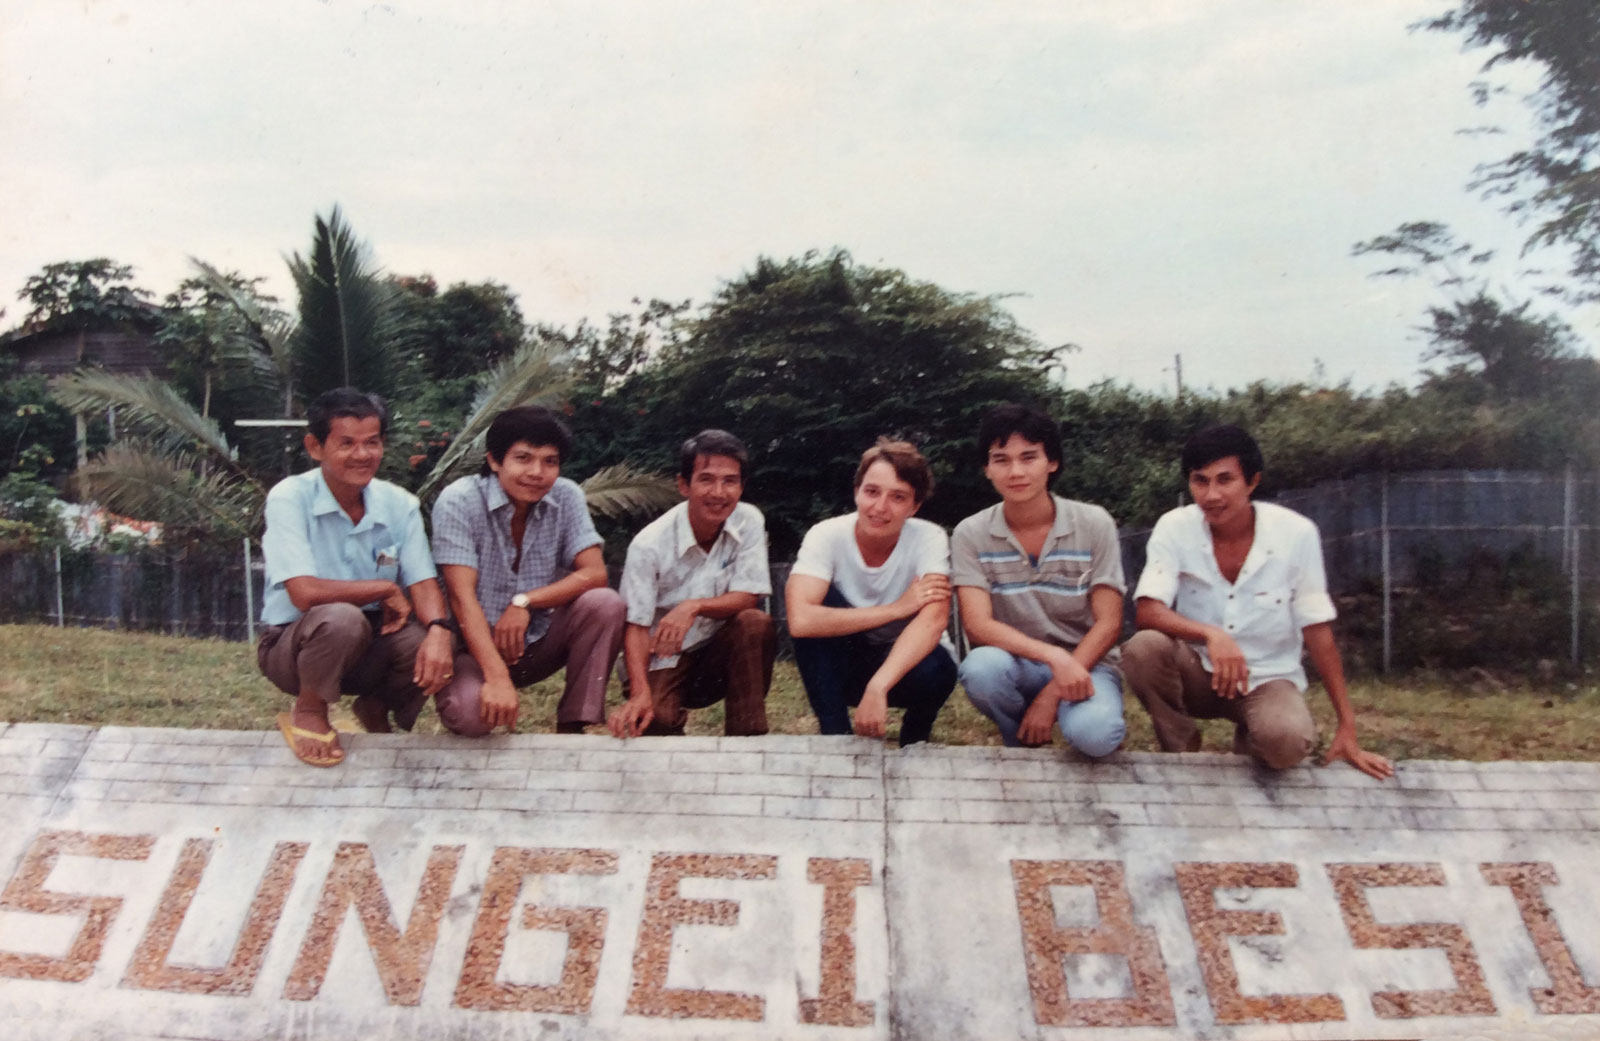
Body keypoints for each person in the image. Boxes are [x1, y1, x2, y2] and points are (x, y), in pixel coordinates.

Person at [1123, 424, 1394, 780]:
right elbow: (1148, 611)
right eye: (1199, 481)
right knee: (1143, 648)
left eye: (1225, 480)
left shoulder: (1296, 533)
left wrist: (1347, 726)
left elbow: (1317, 628)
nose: (1211, 494)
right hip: (1199, 671)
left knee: (1284, 743)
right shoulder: (1175, 526)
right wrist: (1212, 636)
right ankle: (1180, 753)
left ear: (1252, 482)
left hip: (1267, 677)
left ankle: (1252, 741)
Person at [257, 388, 454, 767]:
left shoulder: (400, 504)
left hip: (371, 642)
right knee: (342, 618)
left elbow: (424, 583)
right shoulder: (289, 497)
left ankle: (376, 705)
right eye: (346, 443)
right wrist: (382, 588)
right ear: (315, 447)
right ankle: (311, 710)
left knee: (432, 639)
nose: (362, 455)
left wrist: (441, 630)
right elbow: (303, 593)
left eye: (372, 443)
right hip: (294, 645)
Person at [430, 406, 625, 736]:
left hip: (534, 640)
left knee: (605, 603)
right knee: (472, 716)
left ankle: (573, 726)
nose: (537, 472)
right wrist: (496, 677)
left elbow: (595, 574)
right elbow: (462, 599)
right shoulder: (459, 501)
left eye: (550, 461)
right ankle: (480, 688)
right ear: (494, 461)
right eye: (523, 458)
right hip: (471, 648)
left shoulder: (566, 495)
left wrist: (525, 601)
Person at [952, 404, 1128, 754]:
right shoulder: (970, 533)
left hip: (1086, 663)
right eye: (1001, 459)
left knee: (1096, 736)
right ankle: (1017, 735)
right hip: (1015, 663)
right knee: (980, 669)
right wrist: (1053, 658)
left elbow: (1109, 623)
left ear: (1052, 462)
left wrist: (1052, 694)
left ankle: (1067, 715)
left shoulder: (1095, 523)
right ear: (987, 469)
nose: (1015, 471)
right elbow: (977, 626)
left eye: (1028, 457)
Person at [785, 439, 957, 745]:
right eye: (872, 491)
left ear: (914, 506)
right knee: (815, 608)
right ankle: (835, 739)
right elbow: (800, 620)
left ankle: (915, 742)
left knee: (939, 668)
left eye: (898, 497)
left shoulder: (929, 537)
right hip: (847, 661)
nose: (880, 507)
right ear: (857, 492)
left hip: (905, 664)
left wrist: (878, 686)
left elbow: (933, 620)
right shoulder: (827, 534)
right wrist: (896, 609)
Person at [608, 430, 775, 737]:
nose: (719, 492)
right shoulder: (649, 544)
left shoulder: (749, 520)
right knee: (653, 718)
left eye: (730, 481)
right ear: (684, 485)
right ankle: (668, 724)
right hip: (663, 655)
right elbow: (636, 626)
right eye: (706, 479)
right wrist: (639, 692)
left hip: (717, 652)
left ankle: (747, 742)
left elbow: (749, 595)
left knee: (755, 622)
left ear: (741, 486)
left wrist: (693, 606)